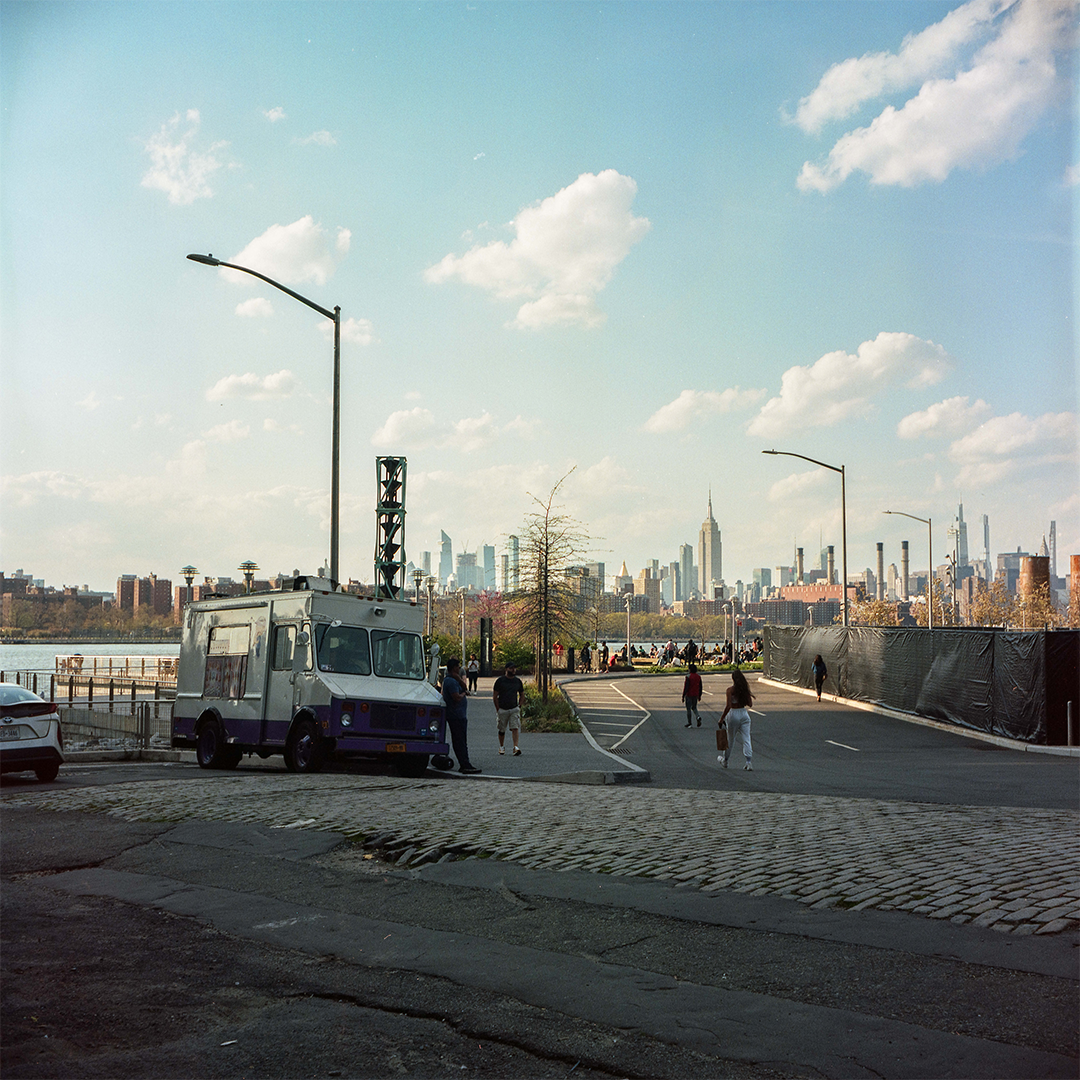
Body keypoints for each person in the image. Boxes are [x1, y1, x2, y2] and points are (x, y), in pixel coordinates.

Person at [441, 658, 480, 774]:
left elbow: (465, 687)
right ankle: (464, 764)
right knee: (460, 741)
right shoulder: (450, 681)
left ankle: (465, 763)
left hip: (460, 715)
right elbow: (456, 697)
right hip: (456, 716)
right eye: (458, 667)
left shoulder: (454, 680)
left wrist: (458, 679)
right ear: (454, 668)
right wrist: (463, 694)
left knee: (462, 740)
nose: (459, 668)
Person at [719, 668, 754, 771]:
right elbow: (750, 704)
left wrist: (721, 718)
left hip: (733, 714)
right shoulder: (745, 690)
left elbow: (728, 706)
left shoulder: (730, 690)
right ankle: (748, 762)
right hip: (744, 713)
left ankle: (725, 760)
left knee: (730, 739)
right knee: (746, 738)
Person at [492, 662, 526, 756]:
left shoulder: (517, 681)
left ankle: (515, 747)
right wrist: (498, 708)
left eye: (514, 668)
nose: (513, 670)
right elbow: (495, 696)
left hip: (514, 708)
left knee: (515, 727)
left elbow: (522, 694)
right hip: (502, 708)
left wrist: (519, 705)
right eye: (511, 668)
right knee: (502, 729)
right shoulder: (500, 681)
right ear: (506, 669)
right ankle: (501, 746)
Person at [682, 663, 703, 727]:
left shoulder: (688, 677)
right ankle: (698, 716)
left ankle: (689, 722)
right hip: (696, 694)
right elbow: (700, 686)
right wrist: (699, 695)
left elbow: (686, 687)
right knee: (694, 707)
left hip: (689, 694)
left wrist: (683, 695)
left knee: (688, 708)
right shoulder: (698, 676)